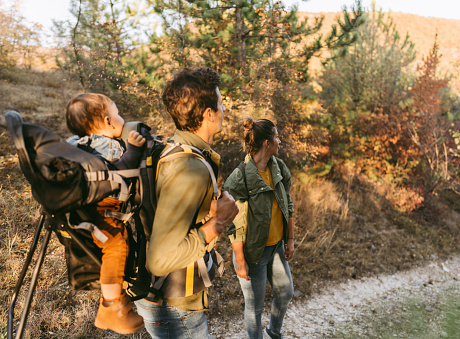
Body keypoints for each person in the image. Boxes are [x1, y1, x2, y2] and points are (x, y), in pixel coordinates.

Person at [134, 67, 238, 338]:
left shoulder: (177, 149)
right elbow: (161, 259)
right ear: (208, 114)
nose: (224, 107)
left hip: (169, 302)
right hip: (174, 308)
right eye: (220, 102)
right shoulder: (190, 168)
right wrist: (218, 224)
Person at [65, 93, 146, 334]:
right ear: (109, 122)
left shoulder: (74, 144)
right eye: (118, 113)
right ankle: (110, 307)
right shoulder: (108, 146)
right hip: (102, 212)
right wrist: (134, 149)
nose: (121, 118)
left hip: (81, 210)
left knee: (116, 246)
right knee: (116, 246)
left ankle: (118, 301)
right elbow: (120, 172)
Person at [222, 117, 295, 339]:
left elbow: (288, 205)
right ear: (266, 143)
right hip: (252, 253)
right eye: (276, 137)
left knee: (285, 292)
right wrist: (240, 260)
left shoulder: (279, 168)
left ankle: (273, 332)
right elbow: (235, 224)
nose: (279, 141)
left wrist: (289, 239)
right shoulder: (240, 177)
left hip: (276, 249)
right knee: (254, 308)